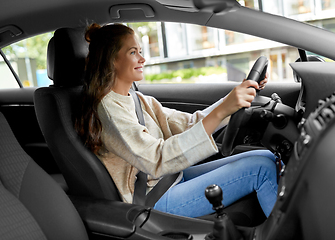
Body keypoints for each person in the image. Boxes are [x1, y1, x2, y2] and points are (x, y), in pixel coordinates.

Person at [75, 23, 278, 218]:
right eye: (133, 52)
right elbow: (156, 159)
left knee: (268, 156)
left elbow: (189, 123)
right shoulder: (108, 111)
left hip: (172, 179)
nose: (142, 58)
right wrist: (224, 109)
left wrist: (235, 98)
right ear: (112, 60)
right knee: (260, 169)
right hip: (153, 198)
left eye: (140, 51)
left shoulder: (138, 100)